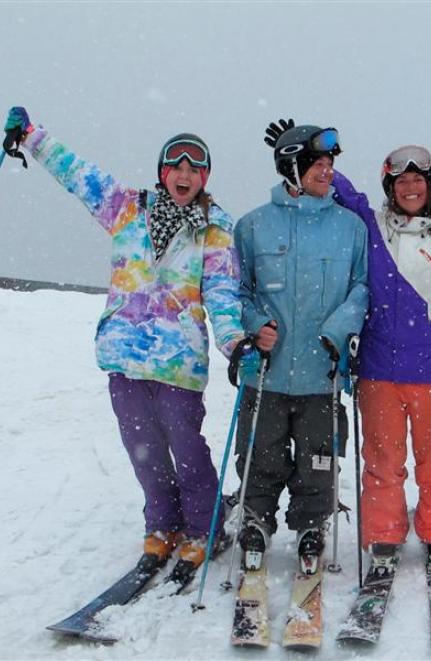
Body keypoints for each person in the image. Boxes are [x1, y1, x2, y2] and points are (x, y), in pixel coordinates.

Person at [3, 106, 250, 572]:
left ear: (204, 177)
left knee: (189, 450)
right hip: (124, 357)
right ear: (162, 172)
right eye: (175, 165)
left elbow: (221, 293)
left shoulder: (215, 229)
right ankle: (161, 525)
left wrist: (234, 342)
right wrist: (32, 136)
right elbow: (76, 173)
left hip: (179, 363)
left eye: (193, 168)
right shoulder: (126, 208)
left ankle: (203, 527)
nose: (184, 174)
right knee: (145, 454)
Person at [332, 146, 431, 573]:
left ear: (430, 185)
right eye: (401, 180)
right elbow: (343, 193)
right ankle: (384, 533)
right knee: (383, 461)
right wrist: (315, 154)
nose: (410, 186)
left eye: (418, 179)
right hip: (379, 369)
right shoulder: (372, 228)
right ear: (390, 186)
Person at [233, 119, 369, 573]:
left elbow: (360, 288)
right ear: (292, 167)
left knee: (320, 458)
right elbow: (240, 291)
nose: (327, 171)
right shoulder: (251, 226)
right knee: (261, 453)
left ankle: (313, 524)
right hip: (267, 373)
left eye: (330, 163)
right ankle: (255, 519)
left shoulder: (350, 228)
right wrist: (255, 327)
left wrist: (338, 332)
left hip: (322, 375)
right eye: (318, 163)